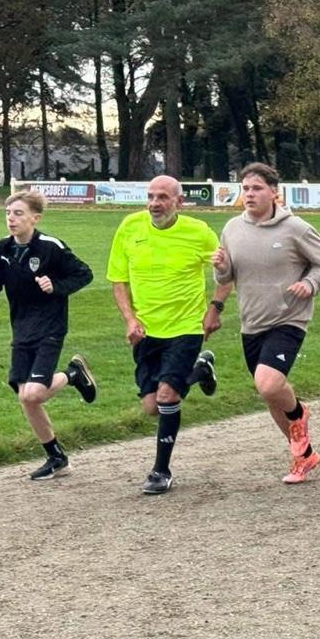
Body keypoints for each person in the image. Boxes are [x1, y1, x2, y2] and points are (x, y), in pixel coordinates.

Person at [207, 162, 320, 485]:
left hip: (289, 318)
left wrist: (309, 284)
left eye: (257, 188)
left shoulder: (295, 228)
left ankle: (299, 414)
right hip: (252, 321)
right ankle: (304, 456)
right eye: (246, 188)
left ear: (274, 192)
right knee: (271, 395)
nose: (249, 194)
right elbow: (227, 277)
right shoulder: (232, 229)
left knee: (268, 383)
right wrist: (221, 267)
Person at [0, 190, 97, 481]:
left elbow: (84, 274)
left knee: (34, 393)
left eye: (18, 213)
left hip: (50, 327)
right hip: (21, 329)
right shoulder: (2, 249)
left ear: (35, 218)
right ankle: (57, 458)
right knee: (25, 398)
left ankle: (73, 375)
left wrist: (56, 286)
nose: (11, 219)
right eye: (8, 213)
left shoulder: (51, 247)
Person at [107, 175, 221, 496]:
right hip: (146, 330)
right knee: (151, 407)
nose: (154, 203)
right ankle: (200, 370)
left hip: (186, 327)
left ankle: (161, 471)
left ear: (179, 202)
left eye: (162, 197)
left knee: (167, 396)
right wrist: (130, 319)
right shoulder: (130, 227)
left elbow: (225, 273)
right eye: (150, 196)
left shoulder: (199, 232)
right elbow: (118, 280)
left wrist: (215, 308)